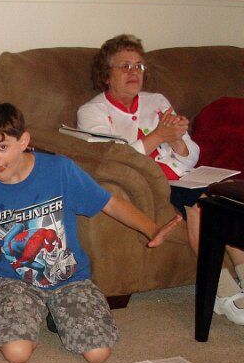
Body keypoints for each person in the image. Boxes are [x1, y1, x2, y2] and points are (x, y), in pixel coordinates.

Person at [0, 103, 181, 363]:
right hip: (16, 283)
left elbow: (110, 203)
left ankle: (56, 313)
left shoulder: (60, 170)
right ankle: (41, 311)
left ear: (23, 140)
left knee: (98, 354)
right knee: (16, 353)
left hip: (70, 279)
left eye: (2, 147)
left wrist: (152, 228)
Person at [77, 34, 244, 324]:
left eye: (139, 66)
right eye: (125, 66)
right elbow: (112, 160)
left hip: (185, 177)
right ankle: (223, 291)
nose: (134, 73)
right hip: (152, 185)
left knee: (225, 200)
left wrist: (177, 140)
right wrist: (157, 136)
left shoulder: (157, 101)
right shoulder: (92, 112)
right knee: (203, 208)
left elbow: (190, 156)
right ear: (106, 74)